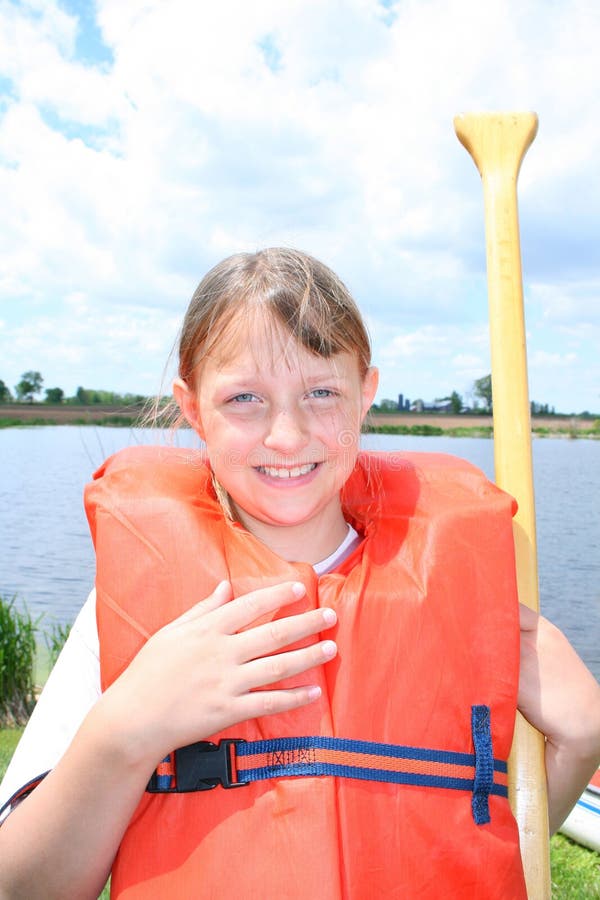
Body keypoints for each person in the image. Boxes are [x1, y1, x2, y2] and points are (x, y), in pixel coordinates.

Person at [0, 247, 599, 898]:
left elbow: (483, 839)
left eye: (320, 392)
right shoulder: (128, 620)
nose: (286, 435)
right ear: (193, 406)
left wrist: (582, 741)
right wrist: (127, 730)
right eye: (245, 398)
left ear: (366, 393)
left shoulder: (460, 604)